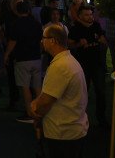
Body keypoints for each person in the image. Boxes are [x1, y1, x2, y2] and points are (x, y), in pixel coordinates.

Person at [31, 24, 88, 157]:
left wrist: (35, 107)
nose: (41, 41)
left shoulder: (60, 66)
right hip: (72, 129)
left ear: (53, 40)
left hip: (63, 133)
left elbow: (46, 101)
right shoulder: (68, 61)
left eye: (43, 38)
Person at [67, 5, 107, 127]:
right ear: (80, 16)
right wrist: (79, 44)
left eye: (91, 14)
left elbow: (104, 41)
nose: (90, 17)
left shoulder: (96, 26)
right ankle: (80, 119)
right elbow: (70, 46)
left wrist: (102, 41)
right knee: (82, 93)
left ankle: (101, 118)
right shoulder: (75, 29)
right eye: (87, 15)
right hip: (83, 65)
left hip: (98, 64)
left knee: (101, 92)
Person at [4, 0, 43, 123]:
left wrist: (6, 54)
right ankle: (41, 111)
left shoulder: (16, 24)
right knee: (37, 86)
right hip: (36, 57)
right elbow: (41, 40)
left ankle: (30, 113)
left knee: (25, 87)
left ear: (17, 11)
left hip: (22, 59)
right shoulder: (36, 23)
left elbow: (12, 41)